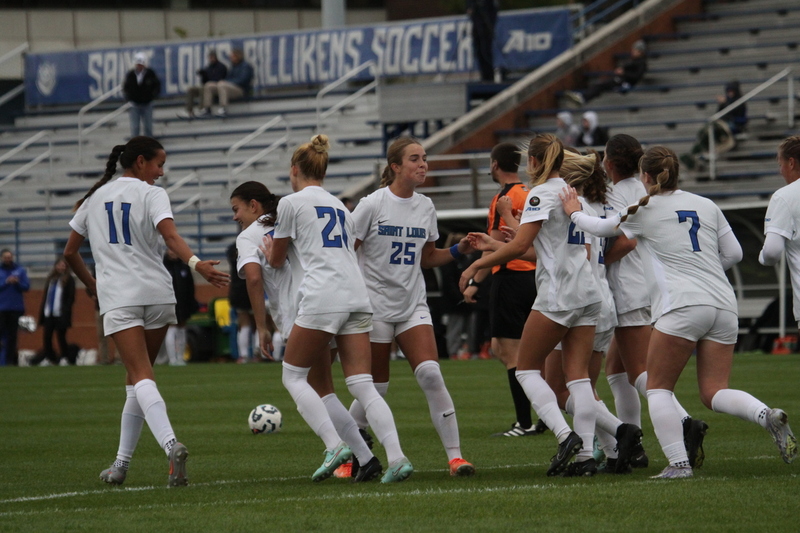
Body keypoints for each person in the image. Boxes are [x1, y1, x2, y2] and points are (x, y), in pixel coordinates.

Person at [562, 145, 798, 478]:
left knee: (658, 388)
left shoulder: (644, 208)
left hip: (681, 305)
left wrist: (573, 212)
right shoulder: (706, 204)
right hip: (723, 303)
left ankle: (678, 464)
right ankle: (765, 415)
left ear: (645, 175)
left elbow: (600, 229)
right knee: (714, 391)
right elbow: (734, 253)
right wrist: (702, 272)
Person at [63, 136, 229, 487]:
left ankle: (171, 445)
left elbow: (70, 253)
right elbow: (171, 238)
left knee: (140, 376)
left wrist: (92, 285)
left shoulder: (95, 197)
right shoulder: (152, 194)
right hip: (158, 295)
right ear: (140, 162)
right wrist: (198, 264)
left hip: (120, 297)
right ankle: (120, 465)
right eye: (159, 164)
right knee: (137, 380)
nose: (161, 172)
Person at [460, 133, 621, 477]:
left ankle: (565, 435)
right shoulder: (573, 195)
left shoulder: (540, 194)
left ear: (533, 161)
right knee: (578, 378)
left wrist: (476, 265)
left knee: (526, 370)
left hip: (559, 294)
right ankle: (585, 457)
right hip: (589, 292)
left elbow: (520, 247)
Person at [268, 134, 413, 483]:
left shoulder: (290, 203)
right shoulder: (339, 206)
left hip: (323, 295)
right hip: (357, 295)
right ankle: (397, 458)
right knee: (362, 384)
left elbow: (276, 260)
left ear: (294, 169)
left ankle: (334, 445)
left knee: (293, 375)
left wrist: (268, 248)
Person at [232, 181, 381, 482]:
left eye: (237, 209)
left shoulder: (248, 236)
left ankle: (334, 445)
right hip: (332, 302)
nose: (235, 217)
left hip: (303, 312)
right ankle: (366, 459)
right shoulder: (291, 220)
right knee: (324, 389)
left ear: (253, 205)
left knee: (297, 380)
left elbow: (253, 279)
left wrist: (261, 327)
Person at [346, 136, 476, 477]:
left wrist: (459, 250)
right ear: (395, 167)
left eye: (425, 158)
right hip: (374, 307)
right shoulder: (371, 204)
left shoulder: (425, 206)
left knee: (431, 374)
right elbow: (346, 252)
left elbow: (428, 257)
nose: (423, 164)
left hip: (412, 304)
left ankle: (456, 458)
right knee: (376, 388)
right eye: (415, 159)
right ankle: (350, 449)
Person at [463, 142, 545, 437]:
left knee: (509, 352)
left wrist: (475, 281)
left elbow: (494, 245)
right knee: (524, 350)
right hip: (535, 276)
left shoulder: (504, 198)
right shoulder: (529, 193)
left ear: (495, 164)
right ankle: (545, 416)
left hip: (510, 277)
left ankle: (524, 422)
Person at [760, 137, 800, 330]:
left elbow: (772, 252)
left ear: (791, 163)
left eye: (780, 164)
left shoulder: (785, 196)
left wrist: (762, 257)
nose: (780, 170)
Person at [565, 40, 647, 105]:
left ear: (640, 52)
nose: (632, 51)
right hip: (621, 81)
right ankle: (583, 97)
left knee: (601, 85)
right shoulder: (635, 61)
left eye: (635, 50)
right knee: (600, 85)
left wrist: (623, 73)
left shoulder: (641, 63)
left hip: (625, 84)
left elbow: (637, 76)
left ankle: (583, 98)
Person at [31, 258, 75, 366]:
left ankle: (64, 357)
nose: (61, 267)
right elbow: (46, 296)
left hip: (60, 313)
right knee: (47, 336)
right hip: (49, 312)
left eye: (63, 265)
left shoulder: (69, 279)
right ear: (55, 266)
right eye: (59, 265)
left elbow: (70, 297)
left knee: (61, 337)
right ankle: (49, 357)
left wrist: (66, 311)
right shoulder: (51, 279)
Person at [163, 249, 198, 366]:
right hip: (169, 303)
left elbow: (190, 286)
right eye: (171, 251)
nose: (173, 253)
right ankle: (172, 359)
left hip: (183, 303)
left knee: (182, 328)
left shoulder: (184, 267)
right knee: (171, 327)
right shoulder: (164, 266)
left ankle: (181, 357)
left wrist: (191, 302)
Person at [226, 242, 257, 363]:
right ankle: (258, 354)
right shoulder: (253, 245)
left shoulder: (232, 248)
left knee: (244, 324)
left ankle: (243, 355)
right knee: (256, 324)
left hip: (237, 290)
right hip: (252, 289)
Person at [201, 49, 253, 117]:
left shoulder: (245, 66)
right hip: (230, 88)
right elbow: (227, 78)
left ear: (238, 56)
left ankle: (223, 108)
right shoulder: (233, 67)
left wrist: (227, 82)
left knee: (222, 84)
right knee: (209, 85)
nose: (231, 58)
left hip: (240, 89)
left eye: (232, 56)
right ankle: (207, 108)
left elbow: (243, 80)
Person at [0, 249, 30, 366]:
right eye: (5, 257)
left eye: (9, 257)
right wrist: (7, 282)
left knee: (13, 336)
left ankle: (10, 361)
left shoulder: (20, 270)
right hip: (2, 308)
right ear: (2, 258)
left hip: (16, 308)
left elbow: (26, 286)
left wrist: (17, 282)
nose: (8, 259)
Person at [122, 53, 161, 138]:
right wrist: (129, 98)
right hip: (134, 104)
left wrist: (152, 96)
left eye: (141, 64)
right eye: (138, 64)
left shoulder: (150, 73)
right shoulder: (131, 74)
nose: (139, 66)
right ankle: (135, 143)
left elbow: (157, 85)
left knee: (148, 126)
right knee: (135, 127)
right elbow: (126, 87)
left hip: (147, 104)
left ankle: (148, 143)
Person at [180, 50, 227, 118]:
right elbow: (205, 81)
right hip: (207, 86)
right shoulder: (208, 67)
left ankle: (201, 108)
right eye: (210, 57)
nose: (211, 59)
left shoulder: (221, 67)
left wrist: (209, 77)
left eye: (212, 57)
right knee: (191, 89)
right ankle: (189, 111)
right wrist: (203, 75)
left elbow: (219, 79)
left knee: (204, 88)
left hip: (215, 88)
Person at [467, 0, 498, 82]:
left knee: (486, 51)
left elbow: (493, 10)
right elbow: (469, 7)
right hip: (477, 27)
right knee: (479, 52)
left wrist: (491, 25)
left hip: (486, 27)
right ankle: (483, 75)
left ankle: (490, 76)